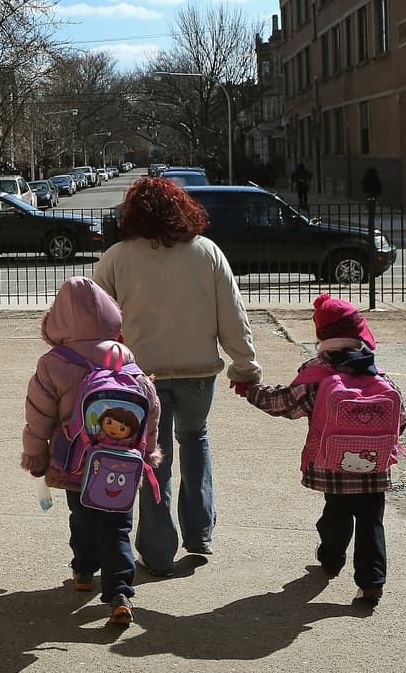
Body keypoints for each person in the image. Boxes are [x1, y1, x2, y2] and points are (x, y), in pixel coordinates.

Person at [91, 177, 261, 577]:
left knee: (152, 460)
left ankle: (158, 550)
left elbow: (95, 319)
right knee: (195, 440)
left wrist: (94, 369)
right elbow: (233, 317)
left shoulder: (117, 258)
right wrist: (245, 365)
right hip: (199, 372)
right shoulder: (207, 253)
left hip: (140, 377)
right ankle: (200, 533)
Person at [234, 293, 406, 606]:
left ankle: (331, 558)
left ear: (322, 337)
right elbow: (401, 420)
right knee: (371, 521)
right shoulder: (376, 375)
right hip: (374, 469)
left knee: (336, 515)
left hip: (333, 465)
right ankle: (371, 583)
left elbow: (283, 404)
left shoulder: (317, 375)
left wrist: (251, 391)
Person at [20, 276, 162, 626]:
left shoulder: (53, 362)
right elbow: (151, 408)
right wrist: (147, 450)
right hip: (121, 464)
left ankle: (83, 571)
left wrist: (36, 454)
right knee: (116, 528)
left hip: (75, 462)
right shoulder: (125, 357)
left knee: (82, 519)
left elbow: (38, 415)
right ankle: (120, 594)